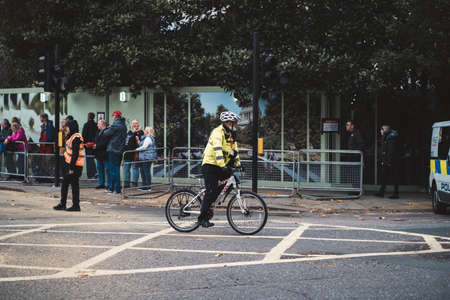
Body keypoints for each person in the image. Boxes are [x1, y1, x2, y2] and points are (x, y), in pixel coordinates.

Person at [199, 111, 241, 228]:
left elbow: (235, 151)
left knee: (231, 181)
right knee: (211, 190)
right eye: (234, 123)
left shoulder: (231, 135)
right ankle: (202, 218)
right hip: (210, 164)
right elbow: (218, 150)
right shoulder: (218, 132)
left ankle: (211, 202)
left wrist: (238, 164)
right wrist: (223, 166)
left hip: (220, 165)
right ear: (228, 123)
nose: (236, 125)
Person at [53, 120, 84, 211]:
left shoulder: (76, 137)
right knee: (65, 184)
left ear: (72, 127)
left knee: (74, 186)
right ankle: (64, 204)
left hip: (74, 165)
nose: (66, 128)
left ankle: (75, 205)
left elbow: (75, 154)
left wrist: (71, 167)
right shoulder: (71, 136)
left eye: (67, 127)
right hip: (70, 163)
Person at [103, 110, 127, 194]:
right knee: (116, 169)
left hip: (113, 149)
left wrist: (107, 128)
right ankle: (116, 188)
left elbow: (106, 133)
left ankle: (115, 188)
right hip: (120, 149)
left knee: (113, 170)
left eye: (113, 116)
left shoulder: (116, 125)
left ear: (116, 116)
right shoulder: (123, 125)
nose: (112, 117)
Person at [376, 125, 401, 199]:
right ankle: (382, 192)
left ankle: (395, 193)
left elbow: (390, 151)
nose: (380, 131)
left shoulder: (391, 139)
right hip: (389, 161)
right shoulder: (387, 138)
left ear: (385, 130)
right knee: (385, 176)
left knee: (394, 177)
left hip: (392, 161)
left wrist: (388, 161)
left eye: (381, 130)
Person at [123, 120, 143, 188]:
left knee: (135, 168)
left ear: (138, 124)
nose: (134, 125)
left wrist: (135, 132)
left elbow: (139, 142)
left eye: (136, 123)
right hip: (127, 153)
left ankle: (134, 183)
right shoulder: (129, 132)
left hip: (135, 153)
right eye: (133, 123)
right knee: (126, 168)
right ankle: (126, 183)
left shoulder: (140, 132)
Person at [135, 126, 156, 191]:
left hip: (146, 157)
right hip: (145, 157)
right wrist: (138, 141)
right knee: (143, 172)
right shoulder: (148, 138)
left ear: (147, 131)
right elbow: (143, 145)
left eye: (145, 130)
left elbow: (144, 147)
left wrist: (136, 149)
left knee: (146, 172)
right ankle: (145, 186)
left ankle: (148, 186)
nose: (144, 131)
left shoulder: (148, 138)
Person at [93, 119, 110, 189]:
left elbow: (106, 142)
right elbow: (96, 140)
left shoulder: (107, 132)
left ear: (102, 124)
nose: (97, 125)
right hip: (98, 154)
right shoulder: (98, 131)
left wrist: (97, 146)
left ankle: (109, 184)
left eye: (98, 124)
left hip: (105, 154)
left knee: (107, 169)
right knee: (99, 169)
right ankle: (101, 183)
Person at [82, 112, 98, 179]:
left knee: (89, 159)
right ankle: (95, 172)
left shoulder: (86, 125)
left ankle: (90, 174)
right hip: (94, 145)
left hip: (88, 145)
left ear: (88, 117)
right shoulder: (96, 125)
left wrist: (83, 143)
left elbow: (84, 135)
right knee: (93, 159)